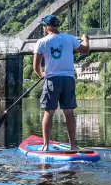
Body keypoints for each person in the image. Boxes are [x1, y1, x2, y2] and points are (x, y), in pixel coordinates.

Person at [32, 14, 89, 152]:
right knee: (69, 113)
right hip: (68, 79)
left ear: (46, 27)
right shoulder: (70, 39)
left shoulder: (41, 42)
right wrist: (85, 39)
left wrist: (41, 74)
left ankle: (46, 145)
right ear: (57, 25)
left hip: (52, 79)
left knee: (48, 112)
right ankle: (73, 145)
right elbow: (85, 51)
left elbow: (36, 66)